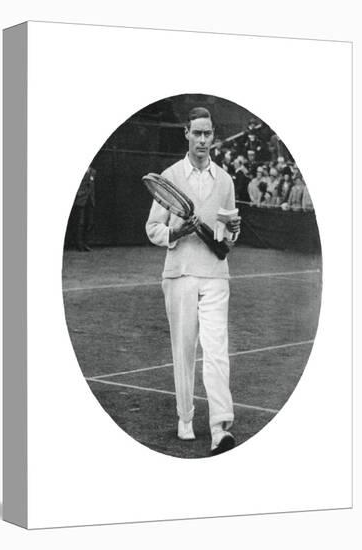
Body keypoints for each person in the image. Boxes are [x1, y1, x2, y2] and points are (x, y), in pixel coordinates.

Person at [145, 107, 241, 456]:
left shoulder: (226, 180)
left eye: (208, 134)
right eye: (196, 133)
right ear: (186, 133)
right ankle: (185, 417)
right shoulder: (169, 175)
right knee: (184, 351)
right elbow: (153, 228)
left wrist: (232, 231)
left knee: (217, 351)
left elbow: (230, 228)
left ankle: (220, 429)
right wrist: (175, 231)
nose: (202, 140)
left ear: (214, 136)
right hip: (180, 274)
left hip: (216, 274)